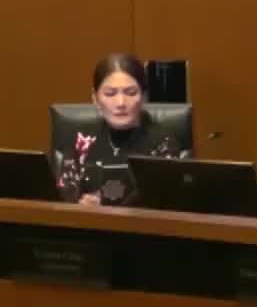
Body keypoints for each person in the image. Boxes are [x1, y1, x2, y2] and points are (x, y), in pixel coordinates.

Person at [57, 53, 185, 206]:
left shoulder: (164, 144)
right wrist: (81, 207)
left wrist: (105, 210)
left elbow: (161, 205)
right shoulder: (81, 140)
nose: (121, 103)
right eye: (110, 94)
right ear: (95, 98)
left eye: (131, 93)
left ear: (144, 97)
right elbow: (63, 200)